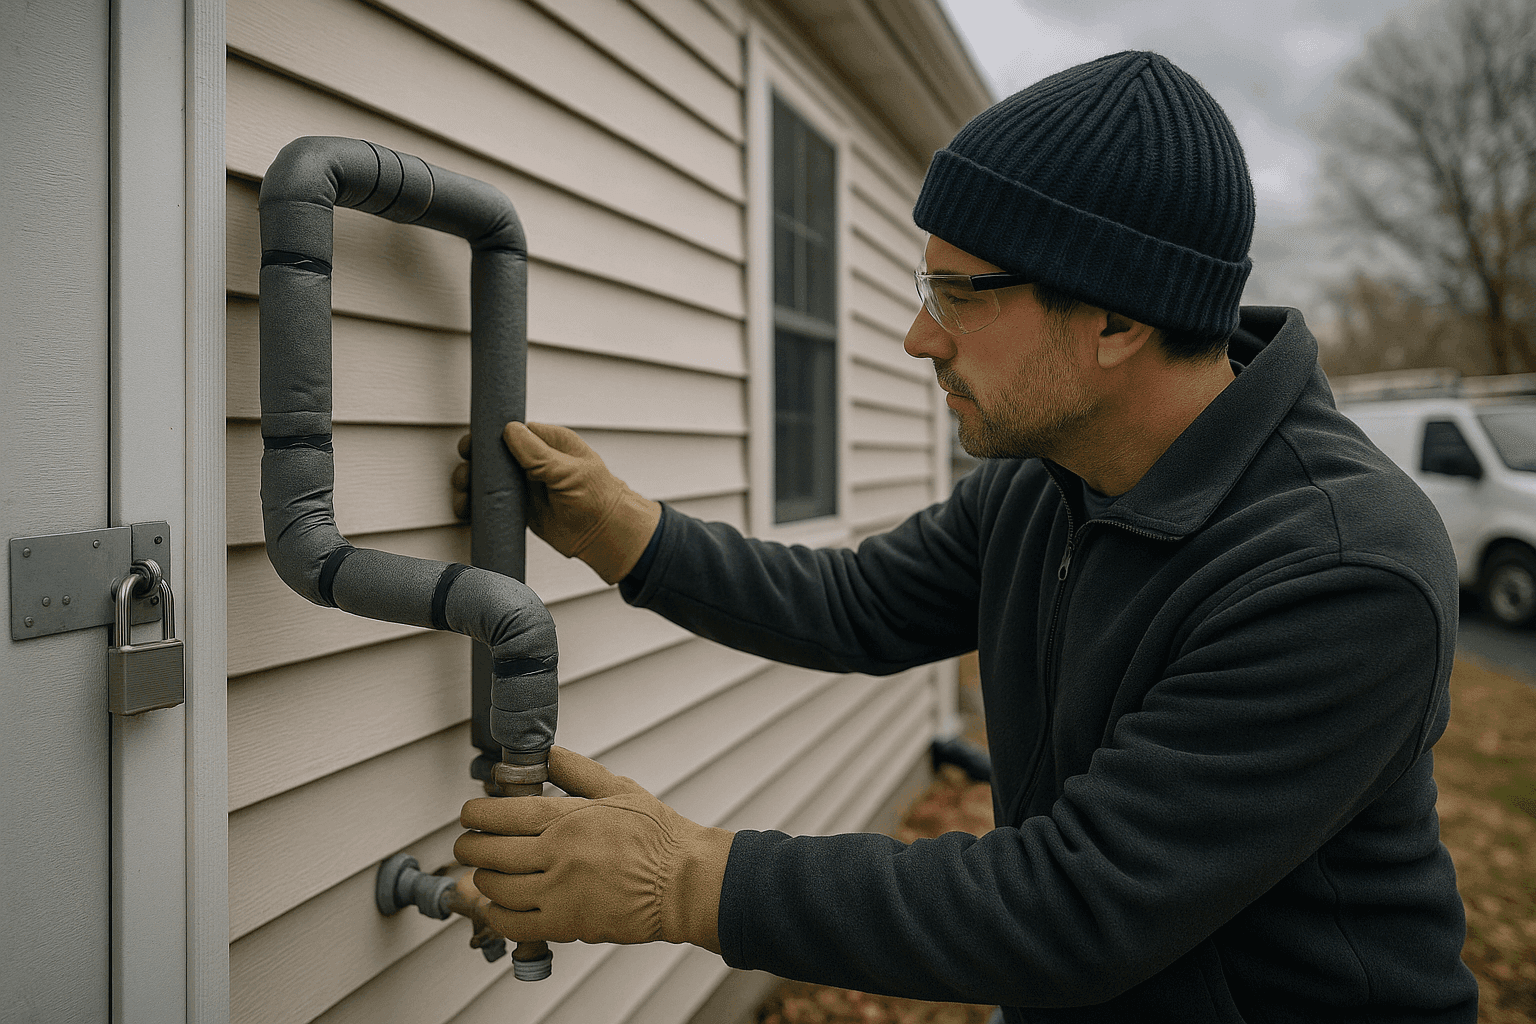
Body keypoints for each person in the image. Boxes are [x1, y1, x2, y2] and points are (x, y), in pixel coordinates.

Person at [451, 51, 1479, 1022]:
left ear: (1117, 320)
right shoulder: (1052, 477)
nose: (920, 335)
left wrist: (683, 878)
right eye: (923, 287)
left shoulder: (1342, 570)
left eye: (958, 295)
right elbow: (859, 606)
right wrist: (621, 529)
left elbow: (1074, 904)